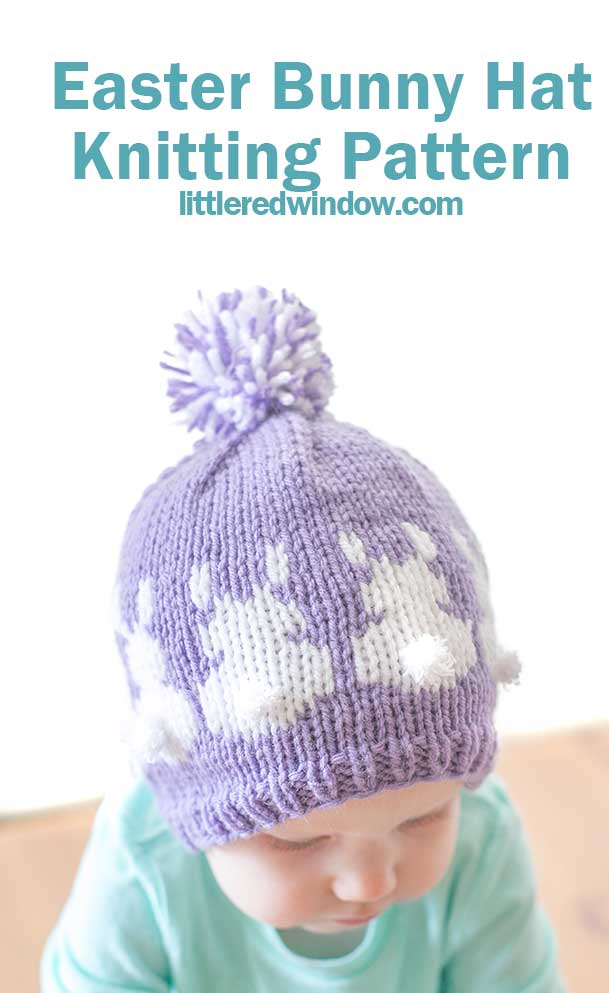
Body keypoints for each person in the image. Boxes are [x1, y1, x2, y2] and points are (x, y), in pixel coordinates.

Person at [41, 286, 569, 992]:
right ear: (191, 806)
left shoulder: (481, 836)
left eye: (422, 816)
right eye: (300, 838)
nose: (367, 880)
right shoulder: (143, 857)